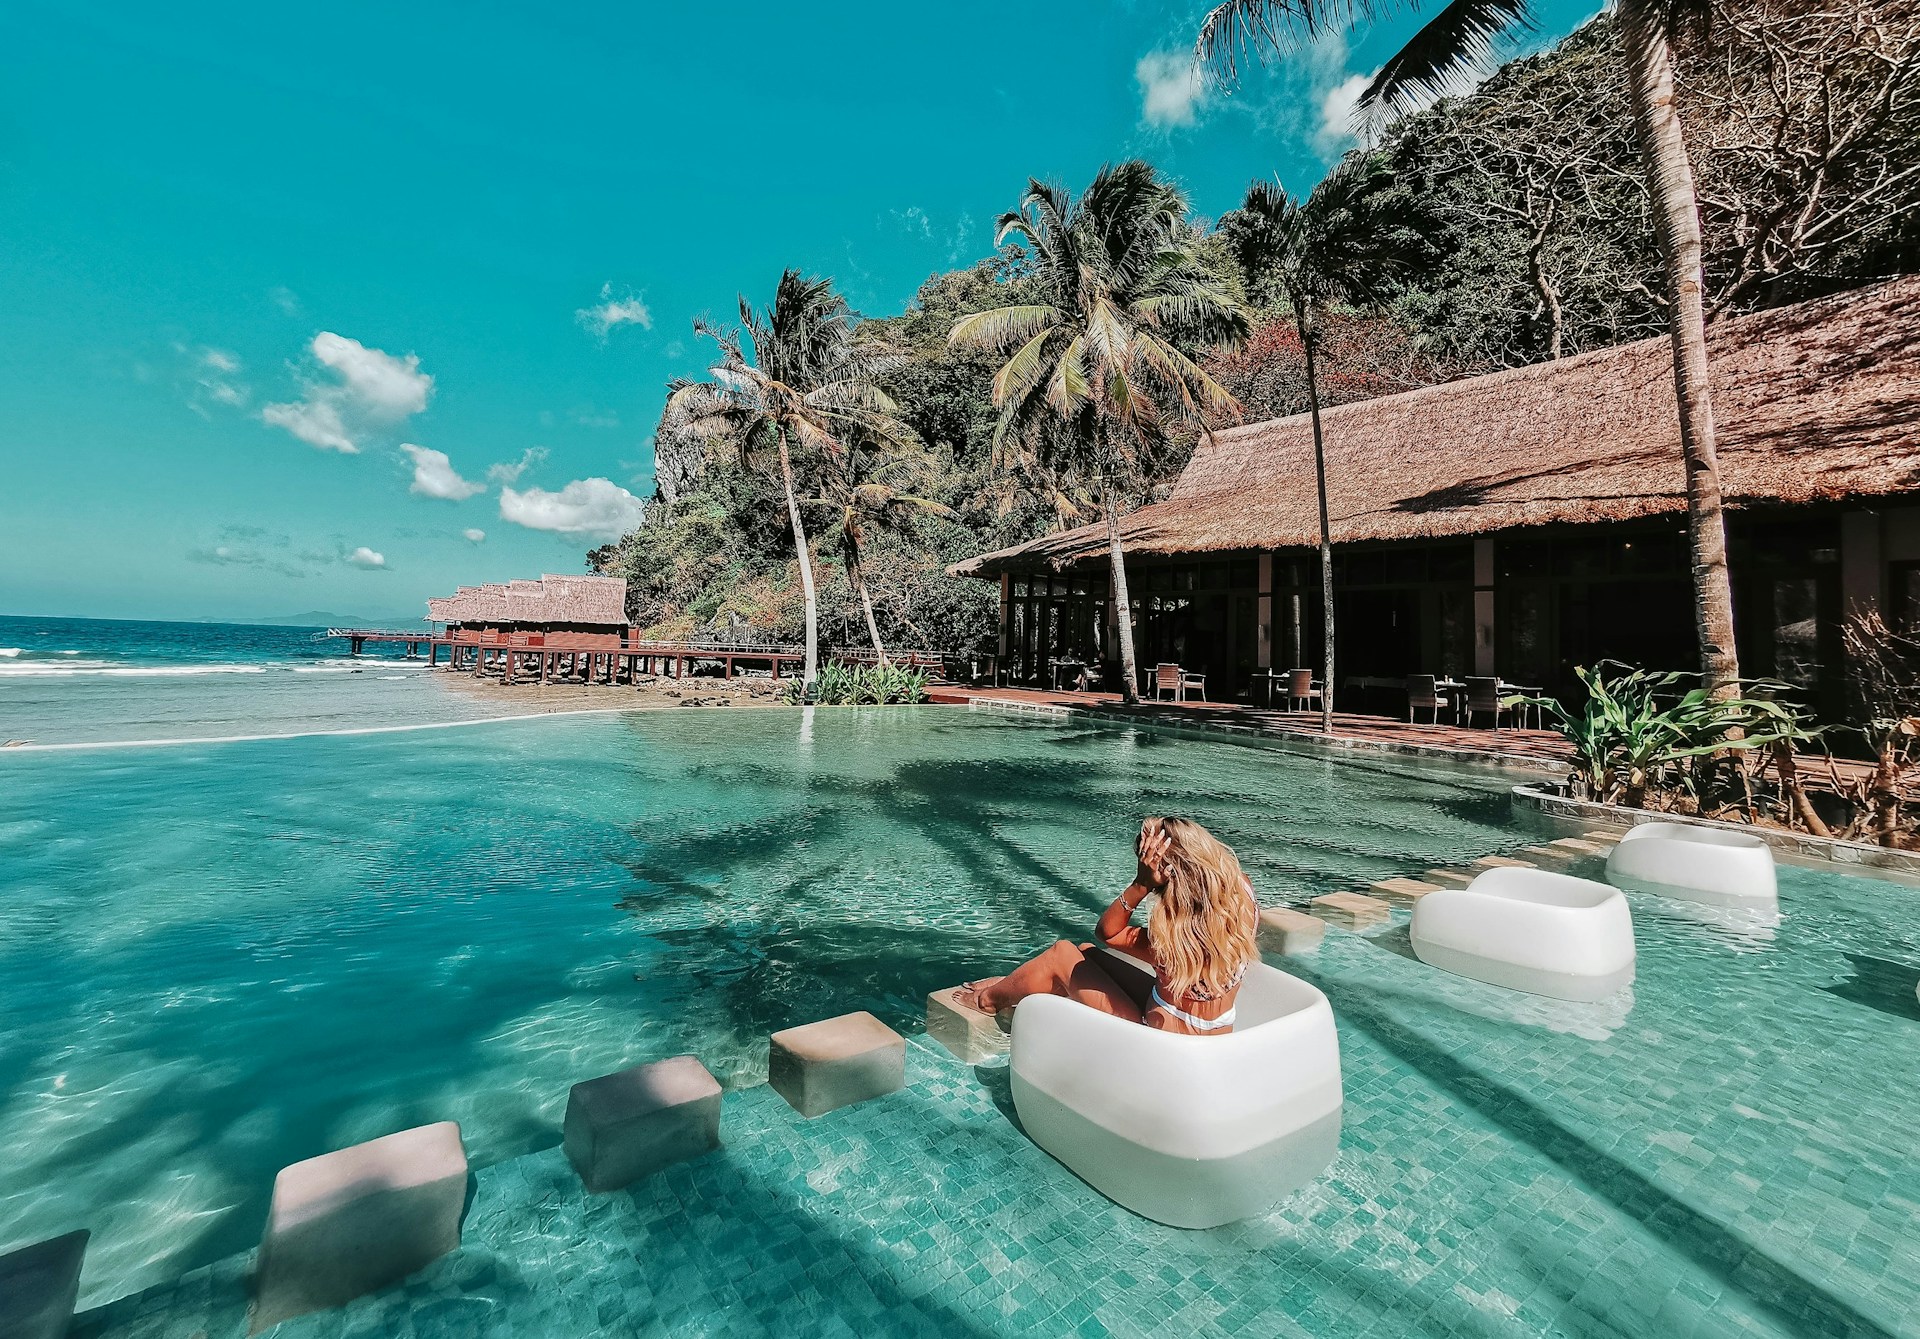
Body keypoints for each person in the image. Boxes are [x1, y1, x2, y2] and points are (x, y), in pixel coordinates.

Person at [955, 817, 1261, 1035]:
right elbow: (1100, 944)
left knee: (1062, 953)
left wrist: (1140, 884)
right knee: (1088, 954)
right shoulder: (1241, 896)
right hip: (1205, 1033)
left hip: (1156, 1045)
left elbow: (1108, 932)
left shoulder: (1173, 940)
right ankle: (1014, 983)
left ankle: (988, 1001)